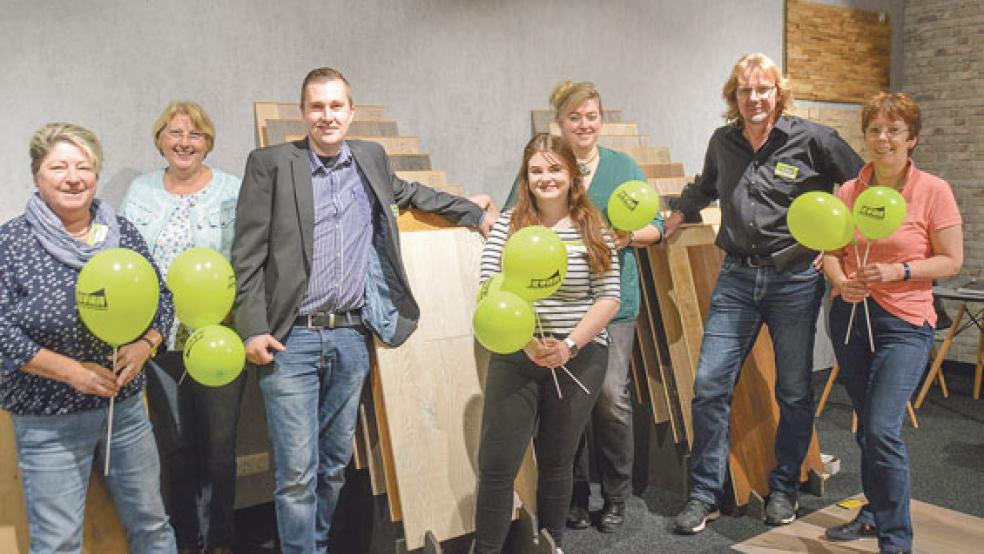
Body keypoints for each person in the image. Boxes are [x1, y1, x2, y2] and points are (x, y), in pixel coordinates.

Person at [231, 66, 495, 553]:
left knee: (333, 466)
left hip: (352, 338)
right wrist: (251, 329)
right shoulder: (271, 164)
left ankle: (313, 546)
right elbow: (246, 255)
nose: (327, 115)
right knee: (296, 473)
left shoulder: (370, 158)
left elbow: (412, 194)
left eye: (336, 106)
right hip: (290, 340)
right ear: (303, 112)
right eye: (317, 106)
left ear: (351, 112)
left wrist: (473, 212)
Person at [665, 52, 864, 534]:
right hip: (736, 276)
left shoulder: (813, 139)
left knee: (793, 389)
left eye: (763, 89)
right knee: (710, 386)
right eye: (744, 90)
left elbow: (860, 185)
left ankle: (784, 488)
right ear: (733, 96)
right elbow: (706, 186)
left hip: (794, 279)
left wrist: (835, 245)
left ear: (778, 92)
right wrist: (675, 215)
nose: (753, 98)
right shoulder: (724, 141)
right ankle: (704, 494)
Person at [0, 122, 176, 552]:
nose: (73, 178)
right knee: (57, 543)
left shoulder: (123, 234)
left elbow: (162, 299)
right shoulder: (11, 243)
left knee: (153, 525)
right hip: (48, 419)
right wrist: (71, 372)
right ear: (37, 175)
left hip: (125, 410)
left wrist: (145, 345)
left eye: (83, 167)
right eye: (59, 167)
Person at [505, 80, 663, 532]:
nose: (584, 124)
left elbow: (656, 225)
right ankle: (571, 496)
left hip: (613, 302)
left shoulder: (623, 166)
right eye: (574, 117)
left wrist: (628, 236)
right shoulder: (548, 163)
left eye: (591, 116)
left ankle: (616, 496)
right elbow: (515, 215)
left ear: (601, 120)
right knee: (565, 401)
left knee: (611, 398)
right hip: (555, 305)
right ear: (559, 122)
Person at [823, 92, 962, 554]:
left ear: (911, 138)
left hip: (905, 321)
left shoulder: (933, 190)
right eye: (874, 130)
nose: (883, 138)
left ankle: (896, 539)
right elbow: (831, 252)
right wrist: (842, 282)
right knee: (866, 427)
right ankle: (872, 514)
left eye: (894, 130)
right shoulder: (849, 191)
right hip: (851, 317)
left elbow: (951, 260)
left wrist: (899, 271)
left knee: (882, 428)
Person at [474, 133, 620, 553]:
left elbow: (609, 297)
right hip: (515, 355)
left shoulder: (594, 227)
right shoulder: (508, 224)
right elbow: (489, 286)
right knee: (497, 464)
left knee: (557, 462)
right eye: (536, 170)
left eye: (555, 169)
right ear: (526, 177)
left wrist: (569, 345)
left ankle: (551, 545)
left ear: (572, 173)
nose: (546, 178)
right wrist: (524, 343)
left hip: (580, 357)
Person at [121, 101, 244, 554]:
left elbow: (249, 258)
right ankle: (186, 542)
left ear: (208, 142)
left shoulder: (232, 190)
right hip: (158, 343)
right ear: (160, 140)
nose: (184, 142)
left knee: (219, 453)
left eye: (195, 134)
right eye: (175, 133)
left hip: (218, 338)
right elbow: (127, 260)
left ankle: (221, 542)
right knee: (175, 451)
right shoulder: (140, 191)